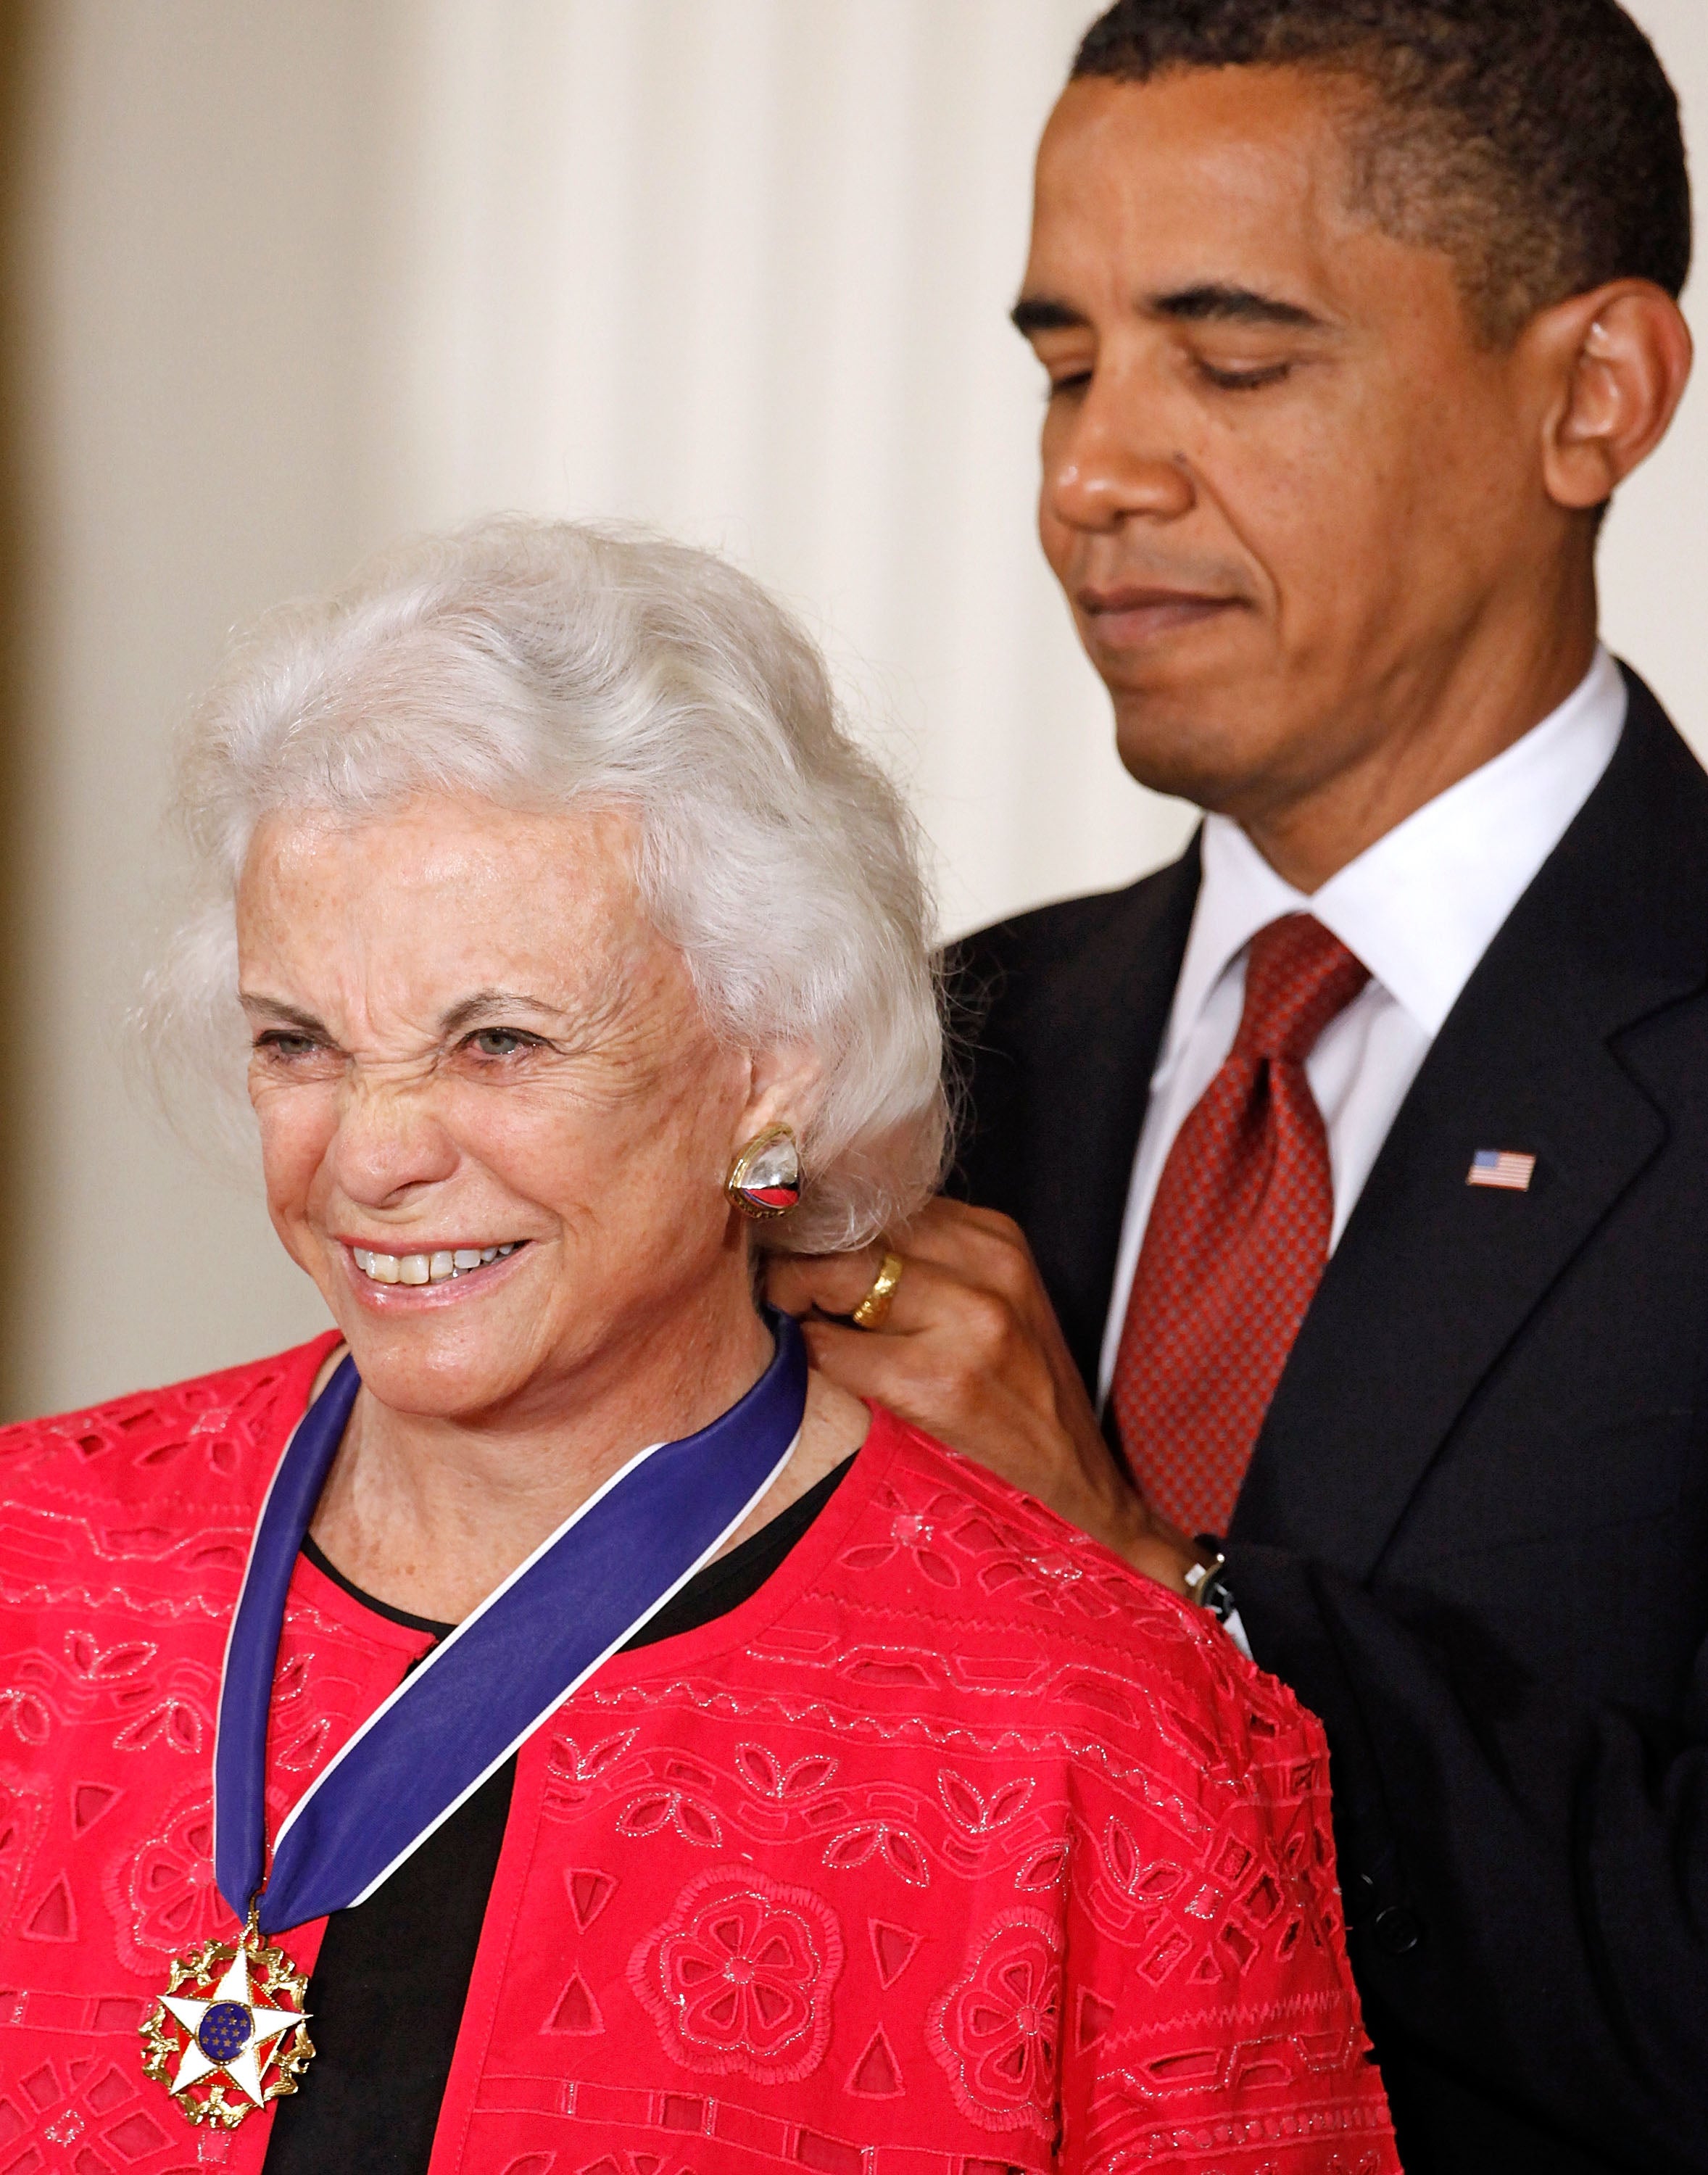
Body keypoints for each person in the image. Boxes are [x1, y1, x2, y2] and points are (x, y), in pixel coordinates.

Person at [0, 518, 1396, 2175]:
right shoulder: (33, 1561)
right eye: (300, 1041)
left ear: (770, 1071)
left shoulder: (1104, 1735)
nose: (369, 1156)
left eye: (497, 1041)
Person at [771, 4, 1708, 2171]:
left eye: (1233, 358)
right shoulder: (918, 1062)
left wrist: (1152, 1587)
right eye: (1064, 363)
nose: (1096, 472)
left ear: (1592, 394)